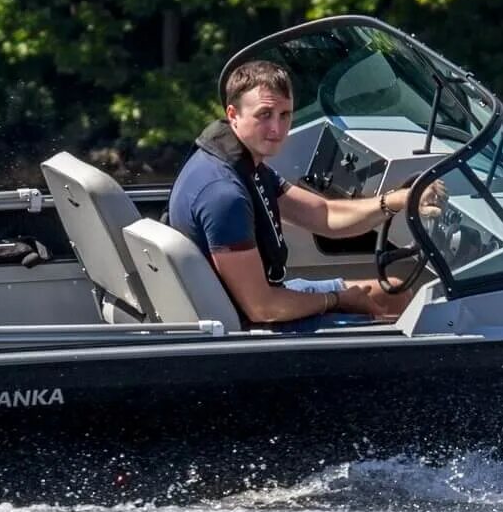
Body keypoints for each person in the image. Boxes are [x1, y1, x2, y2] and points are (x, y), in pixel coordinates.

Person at [168, 58, 440, 327]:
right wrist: (336, 299)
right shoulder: (225, 196)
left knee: (395, 293)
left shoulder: (241, 162)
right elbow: (263, 308)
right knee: (398, 324)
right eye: (264, 115)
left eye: (285, 115)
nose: (277, 129)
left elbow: (324, 215)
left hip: (255, 303)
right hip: (254, 328)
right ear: (232, 114)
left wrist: (399, 200)